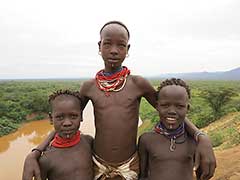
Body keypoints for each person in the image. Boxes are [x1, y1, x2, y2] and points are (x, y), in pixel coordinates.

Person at [22, 21, 216, 180]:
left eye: (120, 45)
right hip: (96, 162)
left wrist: (201, 137)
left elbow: (170, 110)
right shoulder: (88, 87)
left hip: (130, 163)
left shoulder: (138, 84)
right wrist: (36, 152)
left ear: (127, 48)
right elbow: (65, 120)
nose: (114, 50)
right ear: (99, 47)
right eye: (108, 44)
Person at [139, 78, 210, 180]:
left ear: (187, 108)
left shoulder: (194, 142)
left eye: (180, 106)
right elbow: (142, 175)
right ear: (157, 106)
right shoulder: (146, 140)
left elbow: (201, 176)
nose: (172, 111)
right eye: (165, 105)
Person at [31, 90, 93, 180]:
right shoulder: (46, 160)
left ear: (81, 116)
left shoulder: (88, 142)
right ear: (51, 118)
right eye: (60, 117)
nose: (67, 123)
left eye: (73, 116)